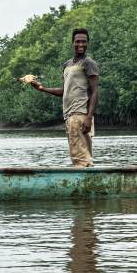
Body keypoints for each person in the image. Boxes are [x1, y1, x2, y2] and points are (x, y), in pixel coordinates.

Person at [31, 28, 98, 168]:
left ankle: (84, 187)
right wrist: (43, 89)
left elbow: (94, 92)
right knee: (78, 156)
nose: (81, 44)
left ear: (88, 44)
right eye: (78, 41)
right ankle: (87, 186)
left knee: (81, 159)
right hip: (69, 115)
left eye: (84, 42)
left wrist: (89, 118)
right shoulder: (67, 64)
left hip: (80, 114)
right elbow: (64, 91)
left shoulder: (88, 63)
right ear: (72, 43)